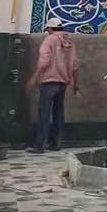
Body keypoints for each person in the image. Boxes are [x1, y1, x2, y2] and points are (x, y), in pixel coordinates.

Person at [26, 18, 79, 153]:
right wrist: (75, 84)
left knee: (44, 114)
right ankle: (56, 143)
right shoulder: (69, 42)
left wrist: (34, 77)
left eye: (47, 30)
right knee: (58, 113)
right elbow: (74, 65)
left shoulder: (49, 40)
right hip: (63, 83)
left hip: (49, 82)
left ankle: (40, 145)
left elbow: (44, 61)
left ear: (50, 29)